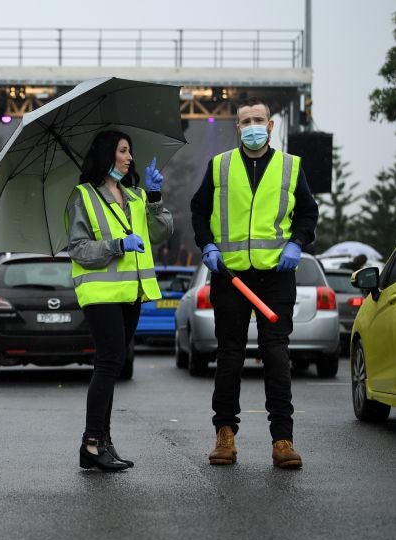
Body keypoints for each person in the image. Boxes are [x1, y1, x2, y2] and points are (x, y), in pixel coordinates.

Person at [190, 98, 319, 470]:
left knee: (276, 354)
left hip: (276, 275)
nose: (252, 126)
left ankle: (283, 439)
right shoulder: (220, 165)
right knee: (229, 355)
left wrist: (298, 242)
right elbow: (199, 210)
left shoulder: (291, 167)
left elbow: (308, 212)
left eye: (258, 120)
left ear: (271, 125)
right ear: (237, 127)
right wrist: (207, 244)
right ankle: (225, 435)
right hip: (230, 275)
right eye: (245, 121)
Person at [65, 130, 173, 471]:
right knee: (109, 361)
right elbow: (78, 248)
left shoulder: (137, 196)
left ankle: (103, 442)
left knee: (115, 364)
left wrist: (155, 196)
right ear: (106, 155)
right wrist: (117, 246)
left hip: (131, 292)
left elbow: (161, 233)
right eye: (123, 151)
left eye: (130, 152)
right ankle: (92, 443)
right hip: (100, 293)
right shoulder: (83, 196)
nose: (129, 158)